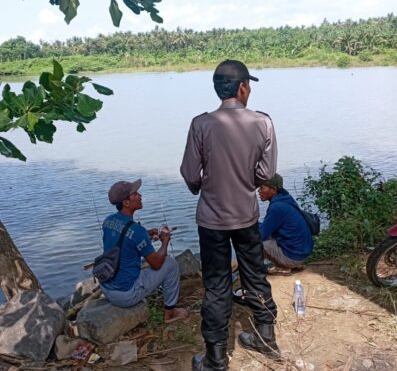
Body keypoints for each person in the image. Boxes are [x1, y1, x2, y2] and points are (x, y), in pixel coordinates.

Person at [181, 60, 280, 370]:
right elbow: (266, 173)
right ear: (242, 88)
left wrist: (202, 185)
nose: (248, 90)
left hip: (211, 221)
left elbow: (189, 173)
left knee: (217, 285)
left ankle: (216, 358)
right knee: (254, 275)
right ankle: (267, 339)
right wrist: (246, 182)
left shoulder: (201, 124)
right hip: (247, 217)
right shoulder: (262, 123)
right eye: (248, 85)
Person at [99, 178, 189, 323]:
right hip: (126, 295)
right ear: (126, 203)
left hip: (107, 288)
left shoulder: (108, 221)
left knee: (139, 260)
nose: (140, 195)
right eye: (135, 194)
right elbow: (157, 264)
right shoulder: (136, 231)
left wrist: (146, 234)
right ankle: (170, 313)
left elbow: (123, 239)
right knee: (170, 264)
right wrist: (165, 241)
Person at [259, 173, 313, 274]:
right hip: (303, 253)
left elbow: (261, 235)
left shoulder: (276, 207)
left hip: (294, 256)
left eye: (262, 187)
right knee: (265, 233)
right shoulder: (286, 198)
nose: (259, 191)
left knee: (254, 242)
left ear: (273, 189)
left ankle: (257, 273)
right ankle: (288, 265)